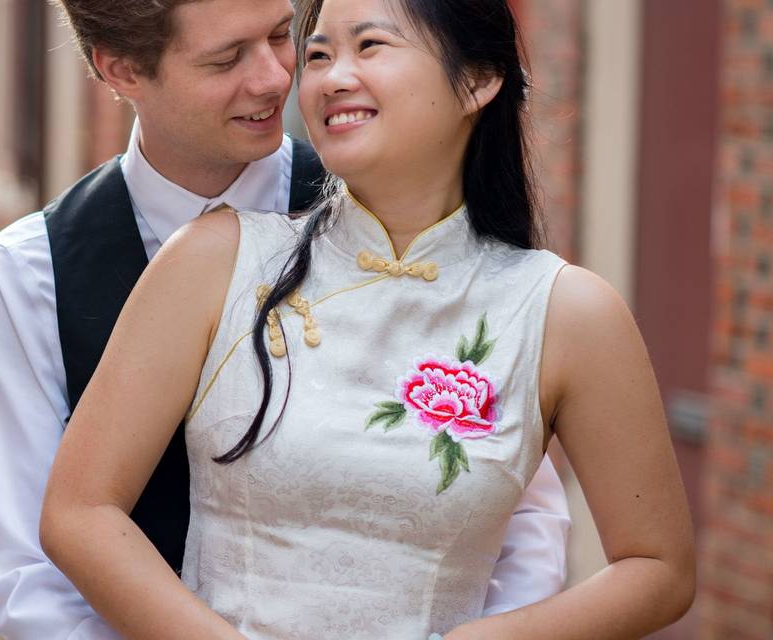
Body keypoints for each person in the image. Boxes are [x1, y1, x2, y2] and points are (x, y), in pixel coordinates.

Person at [39, 0, 696, 638]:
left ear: (477, 79)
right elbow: (79, 511)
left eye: (370, 45)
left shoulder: (564, 311)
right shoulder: (218, 261)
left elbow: (658, 569)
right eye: (319, 53)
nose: (330, 77)